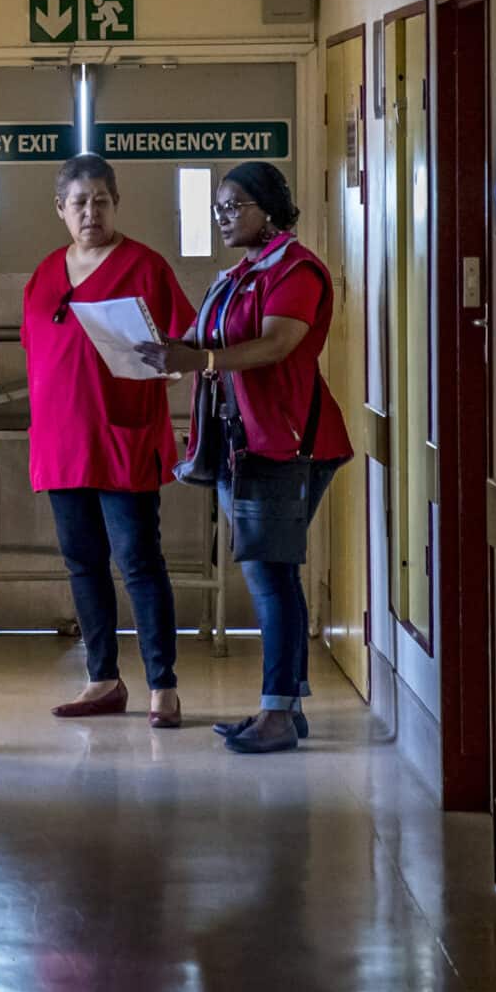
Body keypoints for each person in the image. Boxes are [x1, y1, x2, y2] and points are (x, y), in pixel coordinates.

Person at [140, 162, 352, 755]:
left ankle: (278, 712)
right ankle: (285, 704)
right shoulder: (238, 274)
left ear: (268, 209)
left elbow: (278, 344)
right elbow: (205, 337)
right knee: (271, 570)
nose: (222, 217)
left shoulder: (296, 269)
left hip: (283, 443)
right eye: (218, 207)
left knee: (268, 575)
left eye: (233, 206)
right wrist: (165, 349)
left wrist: (198, 361)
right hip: (241, 443)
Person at [22, 154, 199, 729]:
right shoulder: (46, 274)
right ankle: (102, 679)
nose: (90, 212)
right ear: (60, 210)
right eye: (79, 202)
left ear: (116, 203)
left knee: (140, 561)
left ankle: (162, 684)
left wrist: (172, 365)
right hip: (62, 443)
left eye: (101, 200)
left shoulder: (146, 267)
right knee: (82, 564)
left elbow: (186, 345)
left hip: (122, 438)